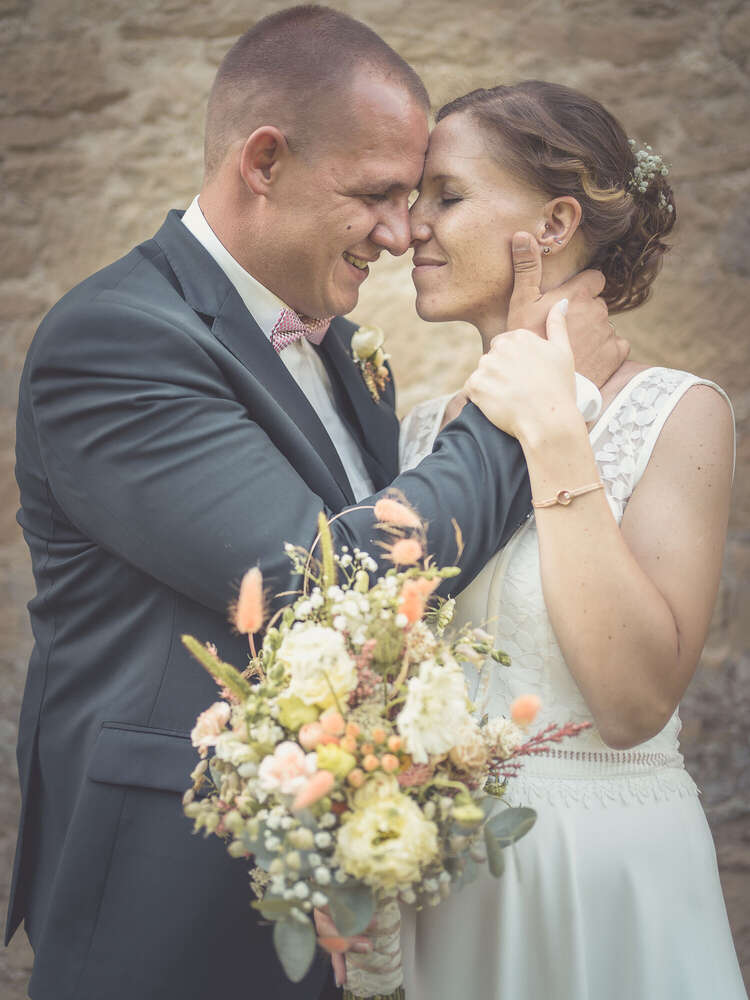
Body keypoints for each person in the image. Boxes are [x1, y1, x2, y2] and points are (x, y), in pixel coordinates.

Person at [7, 10, 623, 1000]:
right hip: (162, 905)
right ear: (264, 162)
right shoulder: (117, 339)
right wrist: (536, 398)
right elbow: (324, 577)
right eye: (375, 195)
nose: (402, 233)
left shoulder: (345, 350)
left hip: (336, 906)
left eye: (415, 199)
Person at [398, 81, 746, 998]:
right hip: (442, 890)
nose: (411, 226)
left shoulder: (679, 414)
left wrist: (555, 421)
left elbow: (633, 703)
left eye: (447, 195)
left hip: (602, 883)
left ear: (555, 223)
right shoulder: (417, 437)